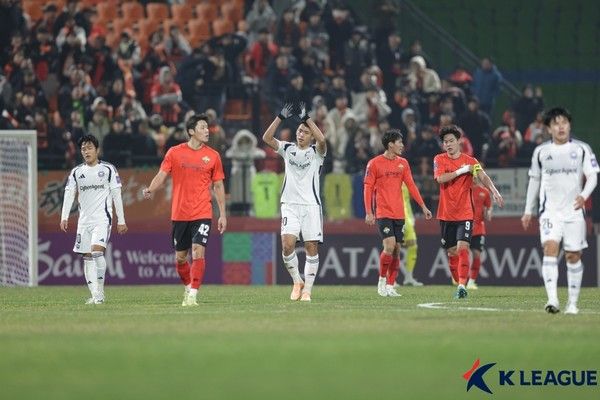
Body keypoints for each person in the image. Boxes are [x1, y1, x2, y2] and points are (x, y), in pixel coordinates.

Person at [142, 114, 227, 306]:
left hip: (202, 212)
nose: (207, 130)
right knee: (181, 258)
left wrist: (222, 214)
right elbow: (161, 175)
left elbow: (218, 186)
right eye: (202, 127)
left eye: (207, 127)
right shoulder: (174, 152)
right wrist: (150, 189)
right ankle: (188, 287)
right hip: (180, 213)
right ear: (191, 131)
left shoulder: (213, 156)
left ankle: (193, 295)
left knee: (198, 251)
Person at [521, 107, 599, 314]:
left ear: (569, 125)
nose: (561, 127)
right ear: (549, 128)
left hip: (574, 211)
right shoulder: (541, 152)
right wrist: (528, 210)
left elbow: (592, 175)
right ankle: (552, 299)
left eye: (564, 122)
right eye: (556, 123)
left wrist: (584, 195)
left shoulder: (582, 149)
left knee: (573, 255)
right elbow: (534, 180)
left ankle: (572, 304)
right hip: (550, 212)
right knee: (550, 248)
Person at [262, 102, 327, 302]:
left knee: (311, 247)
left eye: (305, 132)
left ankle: (308, 290)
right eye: (299, 131)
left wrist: (307, 119)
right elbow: (266, 138)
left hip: (311, 206)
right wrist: (280, 117)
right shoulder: (287, 148)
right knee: (287, 245)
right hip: (289, 205)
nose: (301, 134)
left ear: (311, 136)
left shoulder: (317, 152)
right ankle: (297, 281)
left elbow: (322, 139)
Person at [434, 125, 503, 299]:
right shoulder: (439, 159)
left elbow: (483, 176)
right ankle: (459, 282)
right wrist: (462, 170)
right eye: (445, 142)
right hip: (446, 213)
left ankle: (462, 286)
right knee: (452, 252)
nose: (448, 144)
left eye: (451, 141)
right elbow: (440, 179)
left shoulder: (471, 161)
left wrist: (494, 191)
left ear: (459, 141)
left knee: (463, 248)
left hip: (465, 213)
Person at [364, 129, 433, 297]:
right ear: (390, 144)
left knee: (396, 249)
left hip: (399, 213)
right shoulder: (374, 164)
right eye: (399, 142)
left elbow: (411, 186)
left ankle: (390, 285)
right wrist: (369, 212)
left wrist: (423, 206)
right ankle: (381, 281)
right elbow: (368, 188)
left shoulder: (403, 163)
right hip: (383, 212)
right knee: (389, 245)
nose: (402, 145)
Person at [60, 134, 128, 304]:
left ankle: (100, 293)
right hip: (84, 221)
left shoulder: (108, 169)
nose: (86, 151)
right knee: (87, 257)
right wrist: (64, 217)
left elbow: (116, 195)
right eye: (83, 149)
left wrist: (121, 220)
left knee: (97, 252)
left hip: (102, 219)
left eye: (89, 148)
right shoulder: (76, 172)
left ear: (97, 150)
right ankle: (95, 294)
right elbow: (69, 194)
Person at [467, 177, 492, 289]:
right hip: (465, 226)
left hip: (478, 228)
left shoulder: (484, 192)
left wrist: (488, 214)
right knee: (462, 253)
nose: (475, 176)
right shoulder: (465, 189)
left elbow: (489, 208)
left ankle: (471, 281)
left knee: (476, 254)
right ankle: (461, 278)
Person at [399, 183, 425, 286]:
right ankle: (389, 279)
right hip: (396, 215)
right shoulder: (392, 178)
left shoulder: (405, 180)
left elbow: (407, 201)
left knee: (412, 246)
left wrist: (410, 217)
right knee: (392, 247)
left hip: (407, 217)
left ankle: (408, 277)